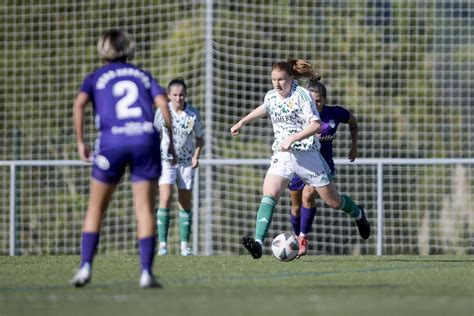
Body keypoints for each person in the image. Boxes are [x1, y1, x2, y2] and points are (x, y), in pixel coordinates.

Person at [230, 59, 370, 259]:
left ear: (292, 78)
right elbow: (264, 107)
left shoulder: (303, 96)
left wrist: (292, 138)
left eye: (282, 80)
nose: (277, 84)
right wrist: (242, 122)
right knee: (269, 193)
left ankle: (357, 213)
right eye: (274, 80)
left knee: (333, 201)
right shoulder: (272, 96)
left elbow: (316, 126)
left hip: (308, 155)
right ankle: (259, 243)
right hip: (283, 155)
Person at [70, 29, 175, 288]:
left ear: (103, 49)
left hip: (112, 142)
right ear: (129, 48)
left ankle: (85, 268)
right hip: (144, 140)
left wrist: (81, 142)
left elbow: (79, 104)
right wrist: (169, 140)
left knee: (96, 208)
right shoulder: (142, 75)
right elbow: (162, 104)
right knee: (144, 210)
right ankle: (146, 273)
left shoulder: (95, 77)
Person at [288, 75, 364, 259]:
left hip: (323, 165)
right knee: (296, 206)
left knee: (309, 195)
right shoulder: (298, 114)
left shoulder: (335, 113)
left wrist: (354, 146)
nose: (317, 104)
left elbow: (353, 122)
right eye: (313, 101)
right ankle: (298, 240)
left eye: (319, 101)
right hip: (299, 163)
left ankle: (303, 241)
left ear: (325, 100)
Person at [154, 78, 204, 256]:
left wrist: (196, 157)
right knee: (165, 198)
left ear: (186, 95)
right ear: (168, 95)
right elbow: (154, 135)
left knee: (184, 201)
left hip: (185, 163)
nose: (178, 98)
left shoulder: (193, 114)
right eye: (174, 95)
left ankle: (184, 246)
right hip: (166, 161)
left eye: (181, 94)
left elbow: (199, 138)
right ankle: (163, 246)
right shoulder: (162, 112)